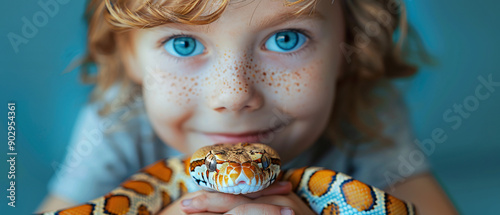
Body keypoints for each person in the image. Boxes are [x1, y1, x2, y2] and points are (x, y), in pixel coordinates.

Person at [37, 0, 458, 214]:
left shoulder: (369, 118)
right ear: (127, 55)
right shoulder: (116, 125)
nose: (233, 94)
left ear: (352, 47)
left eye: (286, 38)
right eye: (183, 44)